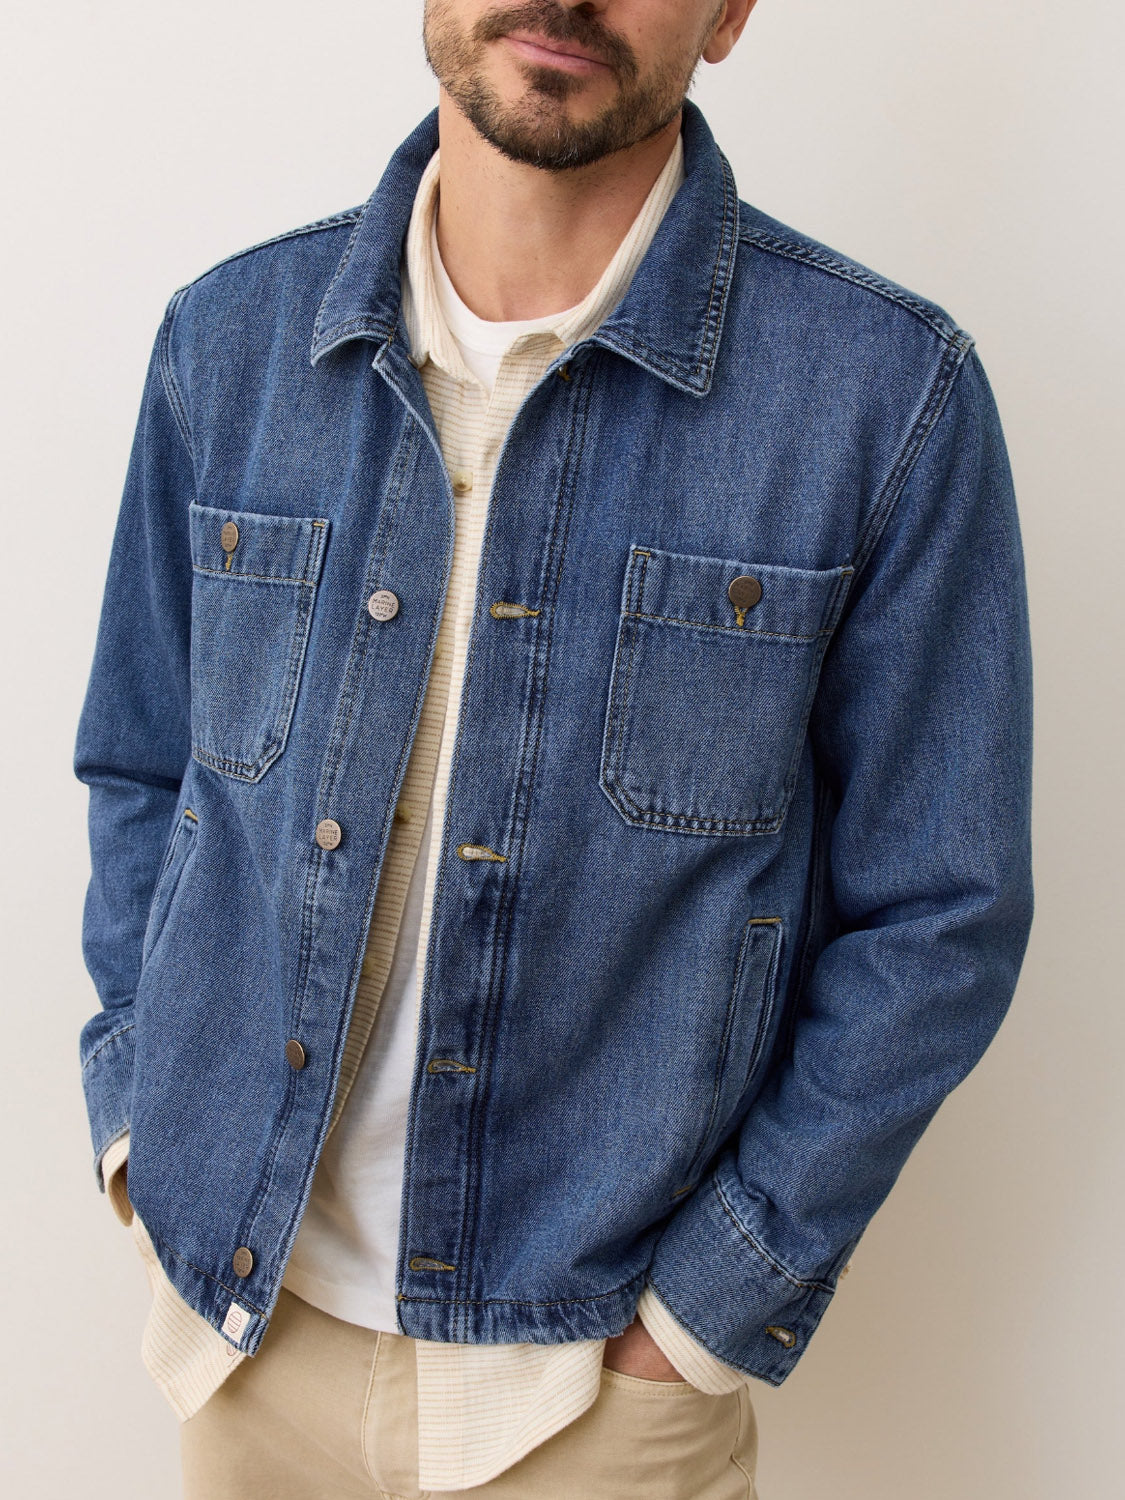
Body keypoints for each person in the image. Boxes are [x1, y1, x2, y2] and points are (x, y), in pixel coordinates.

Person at [73, 2, 1034, 1496]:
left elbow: (939, 912)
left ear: (726, 13)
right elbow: (145, 764)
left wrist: (701, 1316)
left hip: (590, 1394)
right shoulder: (230, 342)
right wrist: (138, 1115)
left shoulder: (883, 395)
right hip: (241, 1337)